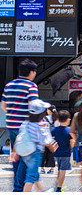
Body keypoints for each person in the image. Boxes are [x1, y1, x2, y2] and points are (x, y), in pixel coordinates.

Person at [1, 59, 39, 192]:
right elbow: (33, 107)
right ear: (31, 72)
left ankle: (18, 186)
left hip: (11, 125)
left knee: (15, 153)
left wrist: (13, 113)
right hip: (25, 126)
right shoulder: (31, 86)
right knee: (26, 154)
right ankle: (19, 187)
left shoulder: (9, 85)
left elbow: (3, 106)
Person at [18, 100, 58, 192]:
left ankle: (42, 191)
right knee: (31, 176)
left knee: (35, 173)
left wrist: (15, 152)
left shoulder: (26, 123)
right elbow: (44, 139)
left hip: (25, 152)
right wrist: (51, 146)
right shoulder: (40, 125)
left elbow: (20, 136)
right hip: (35, 152)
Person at [51, 110, 74, 192]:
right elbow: (72, 142)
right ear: (68, 120)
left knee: (59, 170)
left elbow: (51, 141)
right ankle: (59, 188)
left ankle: (57, 186)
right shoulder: (69, 130)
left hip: (56, 153)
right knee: (62, 171)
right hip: (65, 154)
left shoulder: (53, 130)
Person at [40, 105, 58, 175]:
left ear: (48, 110)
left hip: (45, 139)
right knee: (51, 155)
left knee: (43, 154)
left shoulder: (45, 118)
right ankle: (52, 169)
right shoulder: (56, 119)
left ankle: (42, 169)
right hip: (53, 140)